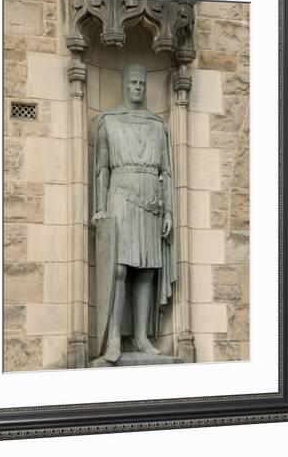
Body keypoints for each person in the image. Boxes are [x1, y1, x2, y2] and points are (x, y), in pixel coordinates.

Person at [92, 63, 176, 363]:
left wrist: (169, 212)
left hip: (151, 203)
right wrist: (100, 208)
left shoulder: (157, 125)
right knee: (119, 268)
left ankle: (141, 336)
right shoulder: (108, 122)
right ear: (124, 85)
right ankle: (114, 337)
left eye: (142, 82)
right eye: (133, 82)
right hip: (120, 198)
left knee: (148, 270)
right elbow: (102, 168)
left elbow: (166, 171)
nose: (138, 87)